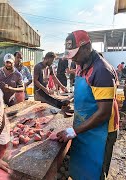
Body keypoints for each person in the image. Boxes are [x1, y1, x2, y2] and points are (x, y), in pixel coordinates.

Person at [57, 30, 119, 179]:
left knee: (95, 170)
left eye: (76, 54)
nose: (74, 59)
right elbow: (87, 91)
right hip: (85, 125)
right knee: (82, 167)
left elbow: (103, 113)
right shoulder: (81, 63)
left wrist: (74, 131)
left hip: (102, 131)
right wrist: (71, 100)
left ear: (87, 47)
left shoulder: (101, 71)